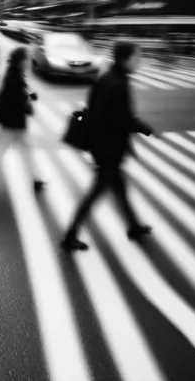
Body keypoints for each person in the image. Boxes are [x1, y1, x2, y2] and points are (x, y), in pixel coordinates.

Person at [61, 40, 156, 252]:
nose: (139, 61)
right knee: (95, 194)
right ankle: (70, 236)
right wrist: (145, 128)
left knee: (120, 188)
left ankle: (133, 227)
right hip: (108, 150)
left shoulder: (107, 78)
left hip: (103, 146)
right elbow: (122, 119)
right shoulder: (118, 83)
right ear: (125, 58)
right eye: (137, 57)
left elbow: (97, 110)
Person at [0, 47, 46, 198]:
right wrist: (27, 103)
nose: (28, 62)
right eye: (26, 59)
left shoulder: (15, 74)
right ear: (20, 61)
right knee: (0, 154)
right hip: (12, 124)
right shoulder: (13, 77)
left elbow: (19, 93)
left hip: (14, 123)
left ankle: (37, 180)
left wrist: (29, 95)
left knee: (26, 151)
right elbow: (11, 100)